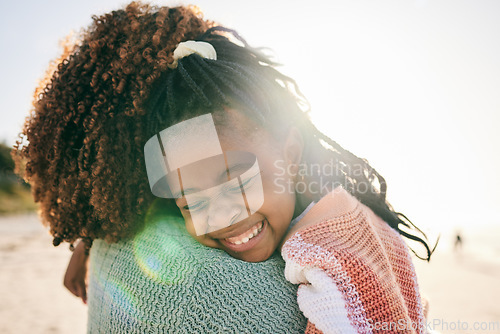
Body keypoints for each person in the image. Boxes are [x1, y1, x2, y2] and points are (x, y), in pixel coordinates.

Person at [14, 1, 432, 333]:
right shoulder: (221, 187)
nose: (223, 215)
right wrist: (91, 232)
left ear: (288, 152)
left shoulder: (340, 237)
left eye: (235, 181)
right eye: (191, 202)